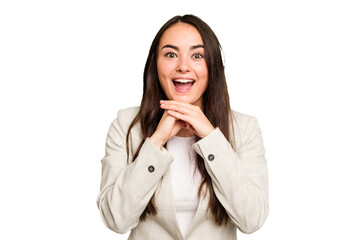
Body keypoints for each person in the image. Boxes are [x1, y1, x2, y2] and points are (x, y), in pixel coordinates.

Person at [96, 14, 269, 240]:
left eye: (197, 55)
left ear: (212, 66)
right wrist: (156, 141)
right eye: (170, 54)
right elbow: (115, 220)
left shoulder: (245, 128)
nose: (183, 66)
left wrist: (210, 138)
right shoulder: (126, 125)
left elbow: (252, 219)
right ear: (154, 65)